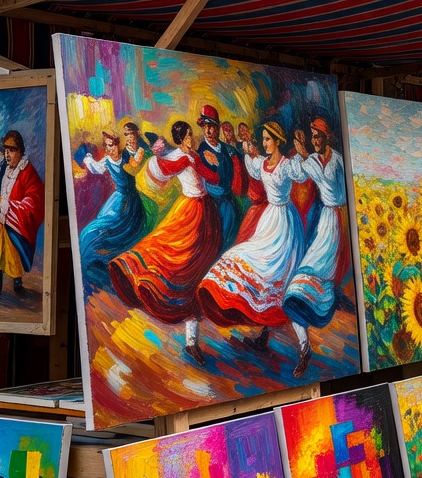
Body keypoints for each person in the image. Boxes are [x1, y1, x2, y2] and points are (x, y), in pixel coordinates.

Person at [109, 119, 222, 366]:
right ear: (182, 138)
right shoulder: (185, 157)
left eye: (192, 135)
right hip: (192, 214)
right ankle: (190, 337)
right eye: (190, 135)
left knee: (198, 269)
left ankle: (192, 338)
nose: (193, 138)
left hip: (204, 214)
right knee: (183, 265)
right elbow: (198, 174)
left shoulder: (188, 155)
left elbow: (208, 176)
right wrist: (205, 164)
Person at [197, 122, 307, 352]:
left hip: (285, 224)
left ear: (277, 141)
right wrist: (246, 149)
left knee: (279, 278)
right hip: (269, 221)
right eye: (263, 139)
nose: (264, 143)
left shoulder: (287, 165)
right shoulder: (262, 164)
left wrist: (303, 151)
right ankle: (263, 333)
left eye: (267, 139)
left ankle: (304, 347)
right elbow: (252, 166)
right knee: (260, 270)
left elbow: (301, 173)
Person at [282, 117, 352, 378]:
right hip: (326, 222)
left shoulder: (338, 160)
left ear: (327, 136)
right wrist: (299, 156)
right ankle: (304, 348)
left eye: (318, 136)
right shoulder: (310, 160)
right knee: (297, 289)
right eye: (312, 136)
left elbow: (342, 188)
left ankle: (330, 299)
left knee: (327, 278)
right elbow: (295, 173)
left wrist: (307, 160)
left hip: (340, 219)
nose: (315, 140)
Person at [75, 124, 150, 289]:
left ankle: (122, 267)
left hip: (130, 202)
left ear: (118, 144)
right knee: (96, 229)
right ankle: (96, 261)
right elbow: (96, 168)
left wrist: (142, 146)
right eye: (107, 146)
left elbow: (137, 163)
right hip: (116, 200)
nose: (109, 149)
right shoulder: (107, 160)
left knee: (124, 233)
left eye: (112, 145)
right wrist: (87, 157)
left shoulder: (126, 157)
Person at [0, 130, 44, 299]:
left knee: (11, 248)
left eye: (12, 150)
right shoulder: (5, 170)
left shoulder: (27, 171)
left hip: (18, 223)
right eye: (6, 150)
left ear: (20, 151)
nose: (7, 154)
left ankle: (17, 280)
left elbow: (35, 200)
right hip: (3, 219)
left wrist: (10, 207)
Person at [195, 106, 247, 242]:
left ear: (217, 127)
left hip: (230, 202)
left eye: (211, 126)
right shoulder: (201, 151)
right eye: (204, 126)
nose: (207, 130)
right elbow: (215, 178)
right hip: (213, 204)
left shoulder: (228, 149)